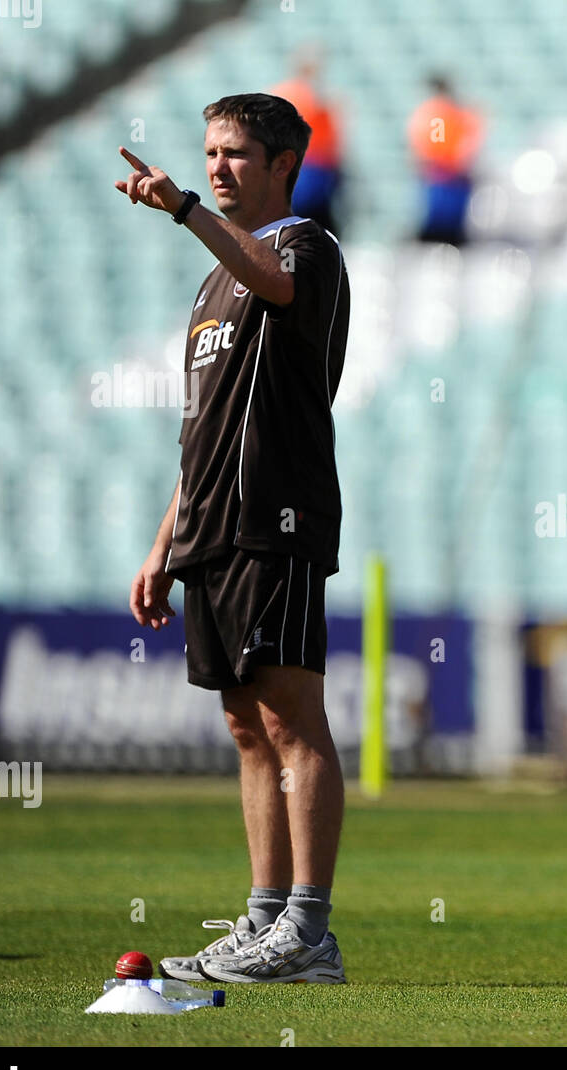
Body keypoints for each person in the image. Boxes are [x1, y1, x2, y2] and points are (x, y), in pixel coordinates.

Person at [119, 92, 351, 983]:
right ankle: (262, 921)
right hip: (211, 528)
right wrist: (160, 547)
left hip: (276, 517)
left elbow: (277, 281)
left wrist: (181, 209)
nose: (218, 168)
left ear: (284, 164)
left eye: (237, 155)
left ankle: (311, 930)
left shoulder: (305, 247)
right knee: (244, 723)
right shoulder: (213, 284)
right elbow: (202, 429)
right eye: (210, 154)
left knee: (293, 719)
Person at [406, 75, 483, 246]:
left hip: (448, 176)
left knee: (448, 224)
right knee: (440, 224)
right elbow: (437, 146)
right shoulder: (439, 113)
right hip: (443, 175)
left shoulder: (443, 113)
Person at [273, 51, 344, 236]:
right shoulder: (308, 94)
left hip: (316, 164)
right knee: (309, 217)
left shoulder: (286, 92)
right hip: (309, 164)